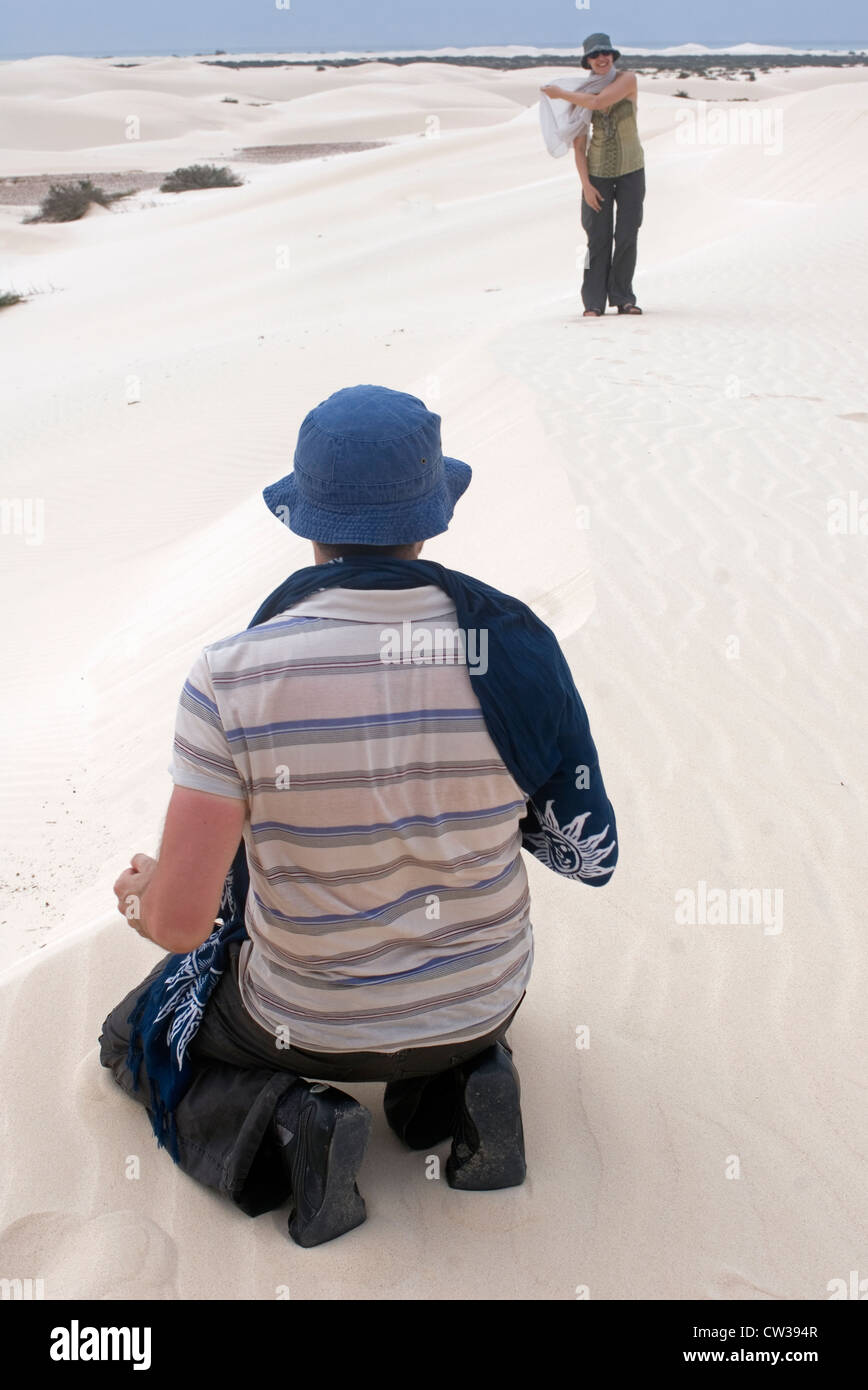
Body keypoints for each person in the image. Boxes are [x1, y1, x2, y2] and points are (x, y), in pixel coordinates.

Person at [99, 384, 618, 1247]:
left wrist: (140, 896)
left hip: (302, 1021)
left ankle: (295, 1124)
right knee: (440, 1018)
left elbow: (184, 923)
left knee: (141, 1034)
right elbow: (574, 838)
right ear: (434, 516)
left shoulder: (233, 675)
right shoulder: (514, 644)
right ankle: (465, 1085)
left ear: (307, 520)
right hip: (488, 994)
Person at [542, 32, 645, 317]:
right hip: (597, 173)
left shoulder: (627, 80)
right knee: (597, 238)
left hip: (631, 170)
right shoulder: (581, 95)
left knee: (627, 235)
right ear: (587, 61)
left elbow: (599, 103)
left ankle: (624, 298)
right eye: (596, 55)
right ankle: (593, 302)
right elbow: (579, 146)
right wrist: (586, 184)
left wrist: (560, 94)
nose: (602, 58)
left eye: (606, 53)